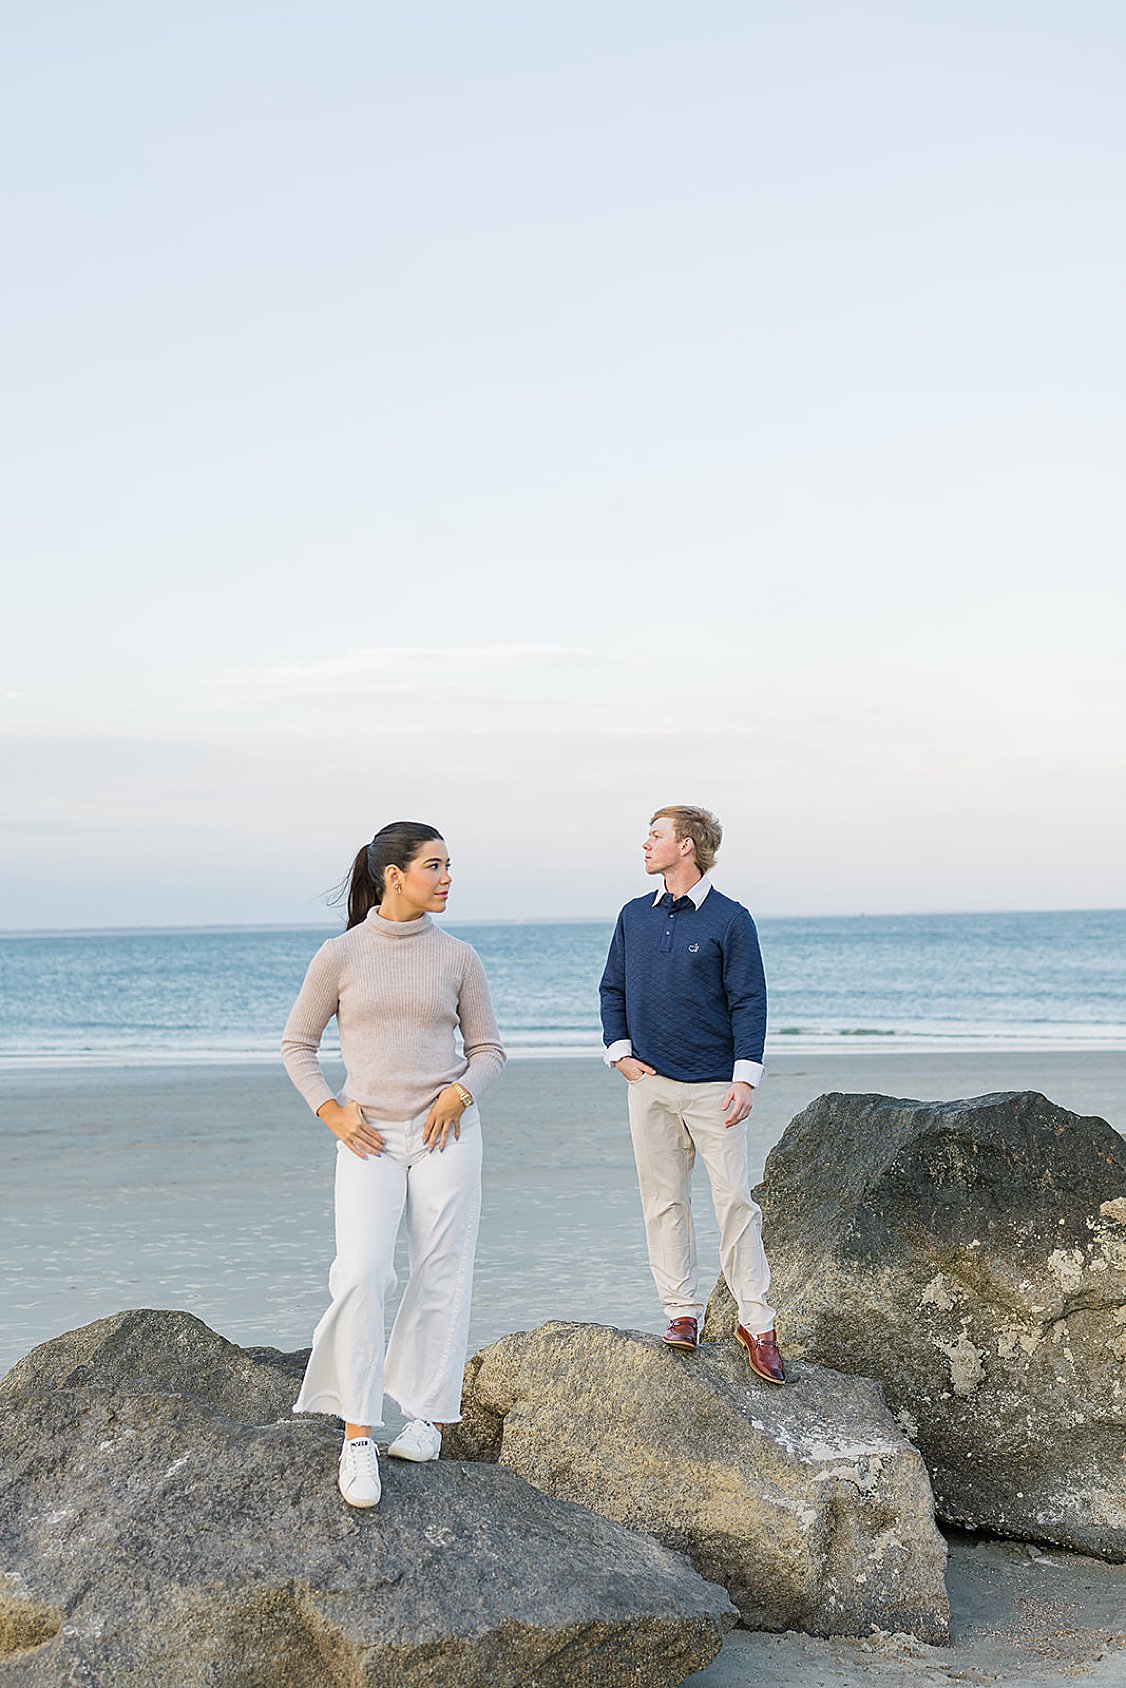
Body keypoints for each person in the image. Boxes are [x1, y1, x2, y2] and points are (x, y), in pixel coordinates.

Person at [282, 821, 506, 1507]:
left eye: (448, 866)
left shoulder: (459, 957)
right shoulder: (340, 955)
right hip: (367, 1138)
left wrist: (460, 1094)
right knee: (362, 1271)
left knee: (442, 1268)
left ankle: (428, 1417)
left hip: (446, 1134)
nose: (446, 878)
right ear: (394, 875)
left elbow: (489, 1049)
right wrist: (333, 1113)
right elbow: (297, 1045)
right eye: (434, 866)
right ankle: (357, 1436)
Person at [599, 805, 784, 1383]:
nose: (645, 844)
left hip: (715, 1091)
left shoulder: (731, 919)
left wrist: (745, 1077)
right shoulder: (634, 915)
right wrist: (621, 1055)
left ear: (687, 846)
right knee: (663, 1201)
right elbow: (612, 988)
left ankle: (757, 1322)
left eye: (655, 835)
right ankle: (681, 1313)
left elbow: (749, 1000)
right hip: (650, 1086)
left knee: (734, 1202)